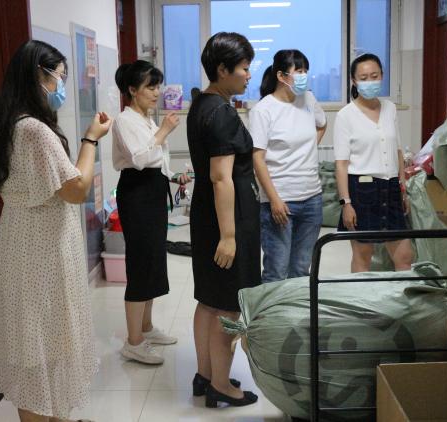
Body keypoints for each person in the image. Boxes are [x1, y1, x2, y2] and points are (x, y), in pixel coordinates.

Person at [0, 40, 111, 422]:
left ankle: (56, 416)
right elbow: (76, 189)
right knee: (41, 349)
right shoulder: (34, 131)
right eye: (59, 78)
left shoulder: (2, 124)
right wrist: (90, 140)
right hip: (42, 257)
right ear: (38, 74)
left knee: (39, 348)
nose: (61, 88)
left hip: (23, 246)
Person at [186, 32, 260, 408]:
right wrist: (229, 236)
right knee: (228, 305)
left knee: (208, 300)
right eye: (244, 68)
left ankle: (204, 375)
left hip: (206, 213)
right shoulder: (221, 113)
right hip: (227, 219)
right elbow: (221, 177)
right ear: (222, 69)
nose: (249, 74)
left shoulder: (201, 104)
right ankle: (220, 385)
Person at [112, 60, 190, 365]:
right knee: (141, 263)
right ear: (133, 90)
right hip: (137, 194)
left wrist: (173, 177)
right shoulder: (124, 120)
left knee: (154, 260)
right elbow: (140, 158)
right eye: (150, 87)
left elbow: (158, 159)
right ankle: (133, 342)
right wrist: (164, 131)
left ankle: (146, 328)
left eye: (158, 86)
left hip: (153, 190)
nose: (156, 92)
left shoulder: (145, 118)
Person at [249, 49, 327, 282]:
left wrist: (306, 150)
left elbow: (322, 124)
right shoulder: (263, 110)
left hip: (312, 197)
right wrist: (274, 200)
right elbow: (257, 158)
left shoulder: (308, 100)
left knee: (301, 269)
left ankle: (297, 307)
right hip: (280, 200)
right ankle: (271, 309)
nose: (304, 76)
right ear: (281, 76)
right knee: (276, 270)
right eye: (299, 71)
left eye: (306, 71)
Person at [333, 53, 413, 272]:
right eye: (364, 78)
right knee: (363, 255)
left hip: (391, 187)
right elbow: (341, 164)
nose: (370, 81)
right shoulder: (345, 115)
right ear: (354, 81)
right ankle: (362, 295)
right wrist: (346, 203)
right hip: (362, 190)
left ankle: (402, 294)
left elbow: (397, 150)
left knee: (404, 255)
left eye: (374, 76)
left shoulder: (390, 108)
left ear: (382, 76)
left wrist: (402, 187)